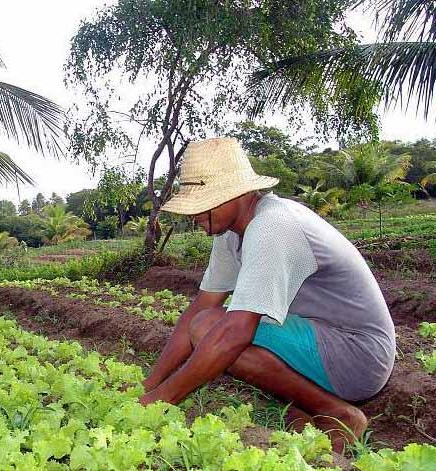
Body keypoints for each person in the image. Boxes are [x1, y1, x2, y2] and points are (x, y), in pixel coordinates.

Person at [141, 137, 395, 452]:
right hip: (323, 342)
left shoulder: (272, 225)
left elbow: (233, 333)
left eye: (204, 202)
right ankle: (308, 405)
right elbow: (199, 307)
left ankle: (337, 411)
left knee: (211, 329)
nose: (195, 215)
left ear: (238, 194)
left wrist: (159, 400)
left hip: (358, 355)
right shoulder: (230, 231)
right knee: (205, 322)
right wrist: (149, 385)